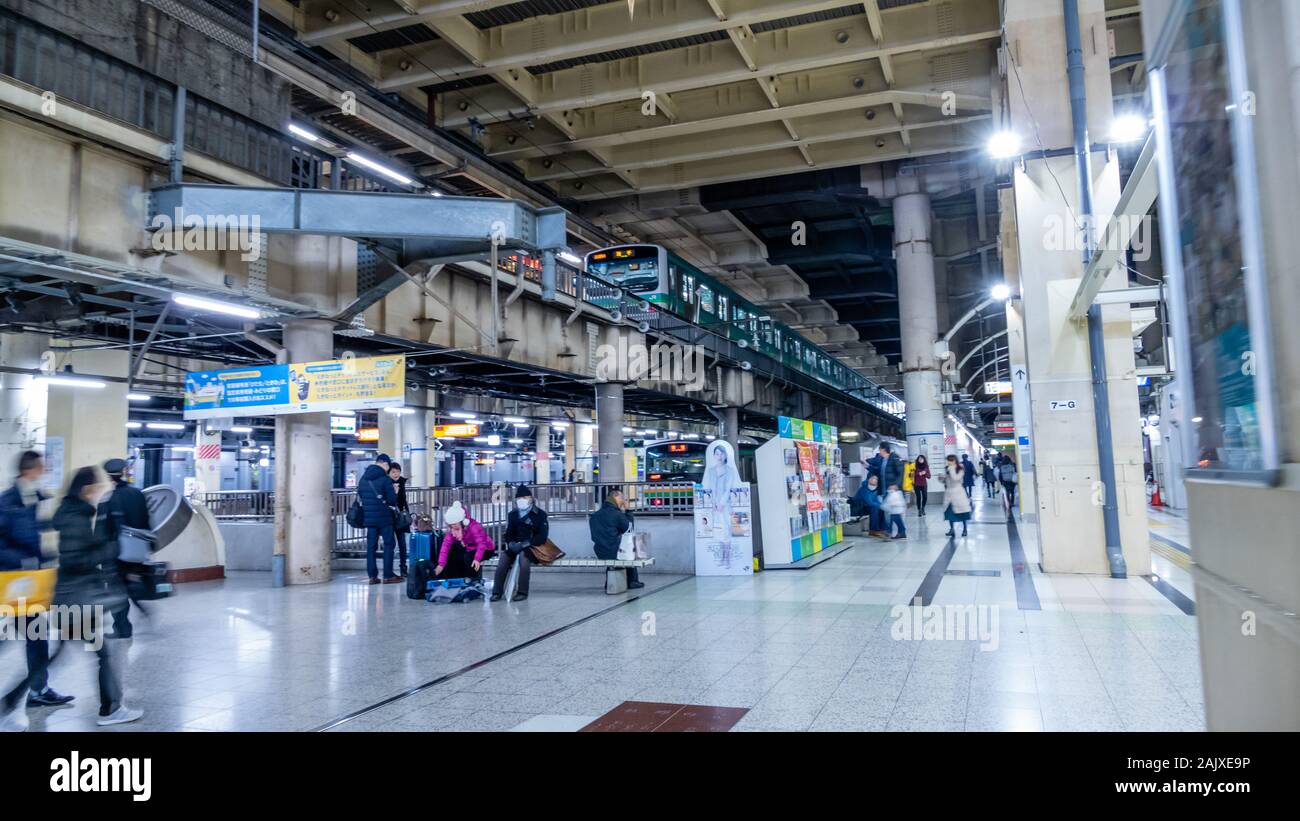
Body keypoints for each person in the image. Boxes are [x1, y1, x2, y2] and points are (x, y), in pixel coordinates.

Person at [52, 466, 143, 726]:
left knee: (59, 655)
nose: (98, 492)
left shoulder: (73, 513)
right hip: (75, 599)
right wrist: (109, 549)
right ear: (85, 489)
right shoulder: (76, 517)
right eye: (96, 487)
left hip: (69, 597)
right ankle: (110, 709)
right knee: (103, 655)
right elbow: (75, 559)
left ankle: (16, 699)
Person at [0, 450, 73, 728]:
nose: (44, 472)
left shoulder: (35, 499)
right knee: (25, 637)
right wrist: (24, 560)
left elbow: (38, 534)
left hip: (33, 582)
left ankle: (38, 691)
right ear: (29, 470)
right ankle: (35, 691)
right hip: (15, 582)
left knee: (35, 637)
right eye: (41, 468)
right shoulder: (7, 502)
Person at [98, 458, 152, 640]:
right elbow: (146, 522)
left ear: (108, 476)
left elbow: (102, 531)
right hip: (137, 550)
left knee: (116, 589)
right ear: (124, 472)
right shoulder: (138, 494)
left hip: (116, 552)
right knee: (129, 584)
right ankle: (141, 608)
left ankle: (122, 628)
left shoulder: (108, 499)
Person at [491, 484, 548, 602]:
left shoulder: (540, 515)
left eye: (525, 498)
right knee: (503, 560)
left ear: (531, 499)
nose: (522, 501)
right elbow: (509, 533)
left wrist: (525, 544)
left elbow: (542, 537)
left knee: (524, 558)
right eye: (519, 498)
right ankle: (497, 591)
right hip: (515, 545)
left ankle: (522, 591)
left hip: (532, 547)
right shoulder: (513, 515)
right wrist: (511, 543)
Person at [358, 453, 400, 584]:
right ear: (385, 464)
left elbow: (361, 496)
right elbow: (392, 501)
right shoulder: (385, 479)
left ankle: (372, 576)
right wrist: (395, 492)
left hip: (369, 518)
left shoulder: (363, 479)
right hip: (384, 518)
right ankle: (387, 575)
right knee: (389, 544)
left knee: (371, 547)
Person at [589, 489, 642, 589]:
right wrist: (628, 511)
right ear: (615, 497)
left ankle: (610, 581)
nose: (622, 501)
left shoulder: (595, 515)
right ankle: (632, 581)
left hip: (600, 551)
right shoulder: (617, 514)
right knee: (629, 549)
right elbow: (629, 529)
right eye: (621, 498)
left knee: (615, 552)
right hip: (615, 551)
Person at [436, 500, 494, 581]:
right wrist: (441, 564)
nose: (454, 532)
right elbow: (445, 547)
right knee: (453, 552)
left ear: (464, 524)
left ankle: (473, 581)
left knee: (469, 557)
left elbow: (482, 544)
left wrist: (477, 559)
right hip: (471, 548)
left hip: (487, 548)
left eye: (456, 528)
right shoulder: (454, 530)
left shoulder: (474, 527)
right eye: (452, 528)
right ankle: (454, 580)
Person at [388, 461, 410, 578]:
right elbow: (390, 500)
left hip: (400, 517)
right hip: (390, 517)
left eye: (398, 471)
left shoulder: (401, 482)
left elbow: (403, 500)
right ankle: (389, 569)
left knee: (402, 543)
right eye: (393, 472)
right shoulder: (386, 483)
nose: (396, 474)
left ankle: (403, 568)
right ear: (388, 473)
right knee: (390, 544)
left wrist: (407, 514)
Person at [942, 455, 972, 538]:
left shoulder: (960, 468)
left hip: (958, 493)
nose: (947, 462)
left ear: (954, 461)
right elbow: (946, 481)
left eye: (949, 460)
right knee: (949, 512)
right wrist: (942, 478)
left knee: (962, 512)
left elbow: (956, 478)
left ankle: (965, 529)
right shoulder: (948, 469)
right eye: (947, 460)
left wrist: (950, 469)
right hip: (949, 493)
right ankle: (952, 529)